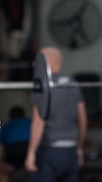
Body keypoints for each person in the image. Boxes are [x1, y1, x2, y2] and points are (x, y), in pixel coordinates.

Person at [25, 47, 87, 182]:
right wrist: (79, 148)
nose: (34, 65)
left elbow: (38, 122)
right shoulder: (74, 84)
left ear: (47, 63)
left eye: (38, 61)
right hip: (71, 152)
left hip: (50, 152)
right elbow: (83, 119)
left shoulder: (41, 86)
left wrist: (31, 153)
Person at [0, 105, 31, 182]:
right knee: (36, 170)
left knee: (3, 171)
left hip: (14, 151)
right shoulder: (30, 122)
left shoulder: (6, 126)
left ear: (10, 118)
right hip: (30, 149)